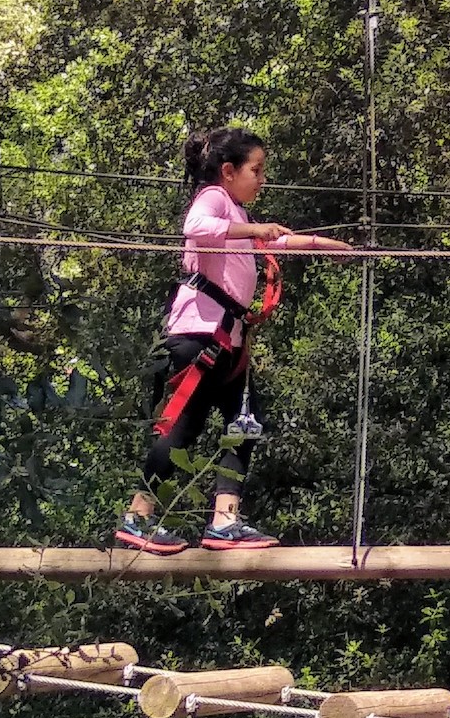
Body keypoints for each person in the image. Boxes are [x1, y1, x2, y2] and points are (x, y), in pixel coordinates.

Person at [115, 128, 351, 554]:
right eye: (256, 170)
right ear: (228, 171)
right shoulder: (214, 198)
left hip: (223, 341)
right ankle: (139, 516)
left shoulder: (236, 214)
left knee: (245, 423)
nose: (262, 179)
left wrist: (321, 244)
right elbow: (196, 226)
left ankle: (223, 521)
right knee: (184, 428)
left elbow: (274, 240)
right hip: (200, 336)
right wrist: (255, 227)